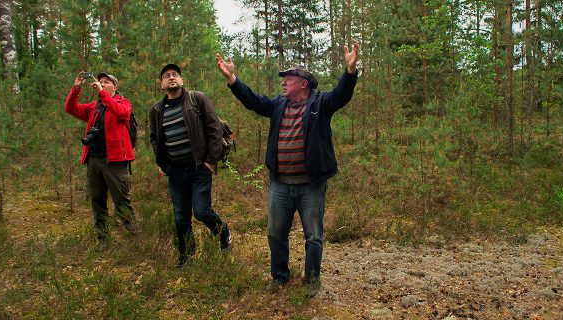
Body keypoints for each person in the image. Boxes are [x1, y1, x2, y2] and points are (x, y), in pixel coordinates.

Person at [216, 40, 359, 297]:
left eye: (288, 78)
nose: (283, 82)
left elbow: (342, 95)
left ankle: (313, 281)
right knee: (275, 233)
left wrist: (349, 72)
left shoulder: (320, 104)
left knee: (313, 236)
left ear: (303, 83)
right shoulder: (279, 105)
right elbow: (254, 102)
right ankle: (280, 277)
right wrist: (233, 80)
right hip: (280, 183)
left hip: (311, 185)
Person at [149, 63, 232, 268]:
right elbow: (154, 139)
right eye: (166, 76)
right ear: (162, 84)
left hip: (199, 168)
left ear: (182, 80)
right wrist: (163, 164)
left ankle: (224, 233)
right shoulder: (157, 110)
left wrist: (210, 162)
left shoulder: (197, 100)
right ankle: (186, 254)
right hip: (175, 171)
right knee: (180, 216)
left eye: (175, 74)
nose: (171, 77)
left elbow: (214, 130)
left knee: (202, 211)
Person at [65, 71, 137, 241]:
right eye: (101, 82)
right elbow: (71, 108)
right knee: (97, 200)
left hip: (115, 161)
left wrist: (102, 94)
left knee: (121, 201)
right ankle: (102, 238)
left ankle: (134, 237)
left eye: (106, 82)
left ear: (115, 86)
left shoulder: (123, 102)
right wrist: (76, 88)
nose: (102, 84)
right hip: (94, 160)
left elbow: (122, 113)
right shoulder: (94, 106)